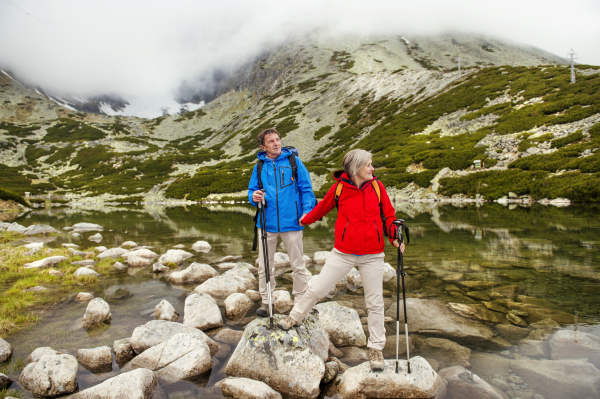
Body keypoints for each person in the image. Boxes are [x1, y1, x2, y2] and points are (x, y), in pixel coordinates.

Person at [277, 149, 405, 371]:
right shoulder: (339, 189)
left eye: (371, 164)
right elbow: (322, 208)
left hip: (373, 254)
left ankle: (375, 348)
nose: (372, 169)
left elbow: (389, 215)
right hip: (343, 252)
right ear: (355, 168)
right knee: (318, 288)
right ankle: (295, 317)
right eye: (368, 165)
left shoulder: (377, 187)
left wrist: (394, 236)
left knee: (375, 303)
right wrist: (306, 219)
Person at [248, 128, 316, 317]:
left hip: (292, 222)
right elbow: (252, 190)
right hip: (266, 224)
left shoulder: (294, 162)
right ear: (263, 146)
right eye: (271, 141)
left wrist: (307, 211)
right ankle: (266, 302)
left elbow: (306, 189)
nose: (276, 143)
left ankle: (301, 301)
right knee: (264, 266)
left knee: (298, 265)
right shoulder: (259, 166)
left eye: (278, 139)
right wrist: (253, 196)